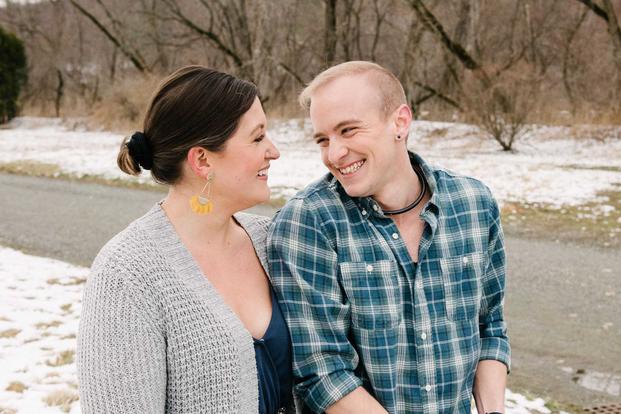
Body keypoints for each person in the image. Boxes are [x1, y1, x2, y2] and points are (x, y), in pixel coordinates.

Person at [268, 61, 510, 414]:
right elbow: (323, 372)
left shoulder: (474, 205)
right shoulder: (308, 222)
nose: (334, 154)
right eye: (323, 139)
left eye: (348, 131)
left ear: (399, 122)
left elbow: (490, 328)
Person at [77, 66, 296, 414]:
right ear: (203, 160)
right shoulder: (126, 274)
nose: (274, 151)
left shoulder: (272, 239)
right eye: (257, 138)